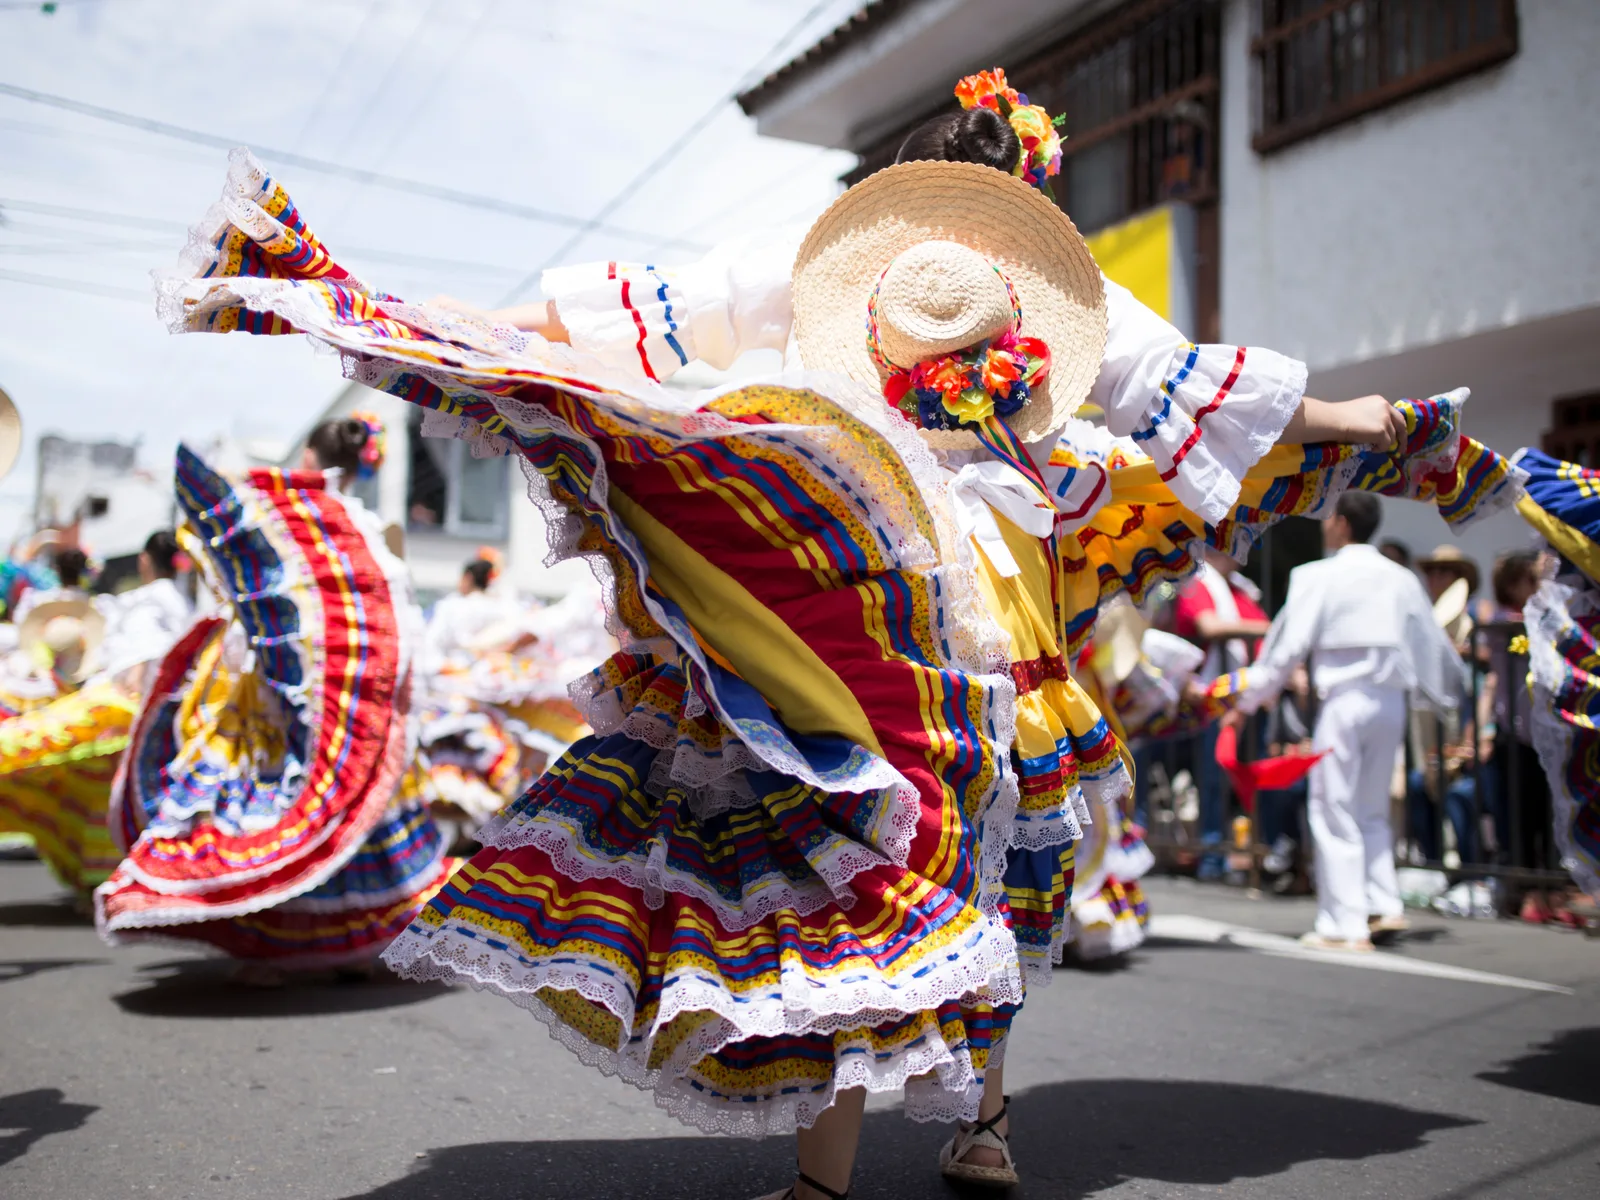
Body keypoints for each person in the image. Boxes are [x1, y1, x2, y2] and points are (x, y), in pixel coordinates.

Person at [155, 66, 1521, 1199]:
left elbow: (598, 323)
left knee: (860, 879)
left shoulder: (818, 268)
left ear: (899, 198)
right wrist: (1399, 432)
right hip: (999, 632)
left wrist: (406, 321)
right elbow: (1229, 403)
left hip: (844, 615)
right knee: (972, 888)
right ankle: (978, 1125)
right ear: (1022, 204)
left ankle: (834, 1174)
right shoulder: (1073, 313)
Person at [95, 419, 453, 983]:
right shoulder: (367, 533)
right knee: (349, 805)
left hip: (271, 694)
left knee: (278, 803)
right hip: (351, 699)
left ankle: (277, 950)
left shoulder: (280, 512)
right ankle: (354, 946)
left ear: (309, 451)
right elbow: (394, 635)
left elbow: (248, 597)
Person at [1235, 492, 1467, 952]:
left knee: (1333, 806)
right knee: (1372, 807)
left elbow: (1286, 648)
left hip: (1344, 699)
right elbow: (1431, 647)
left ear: (1340, 523)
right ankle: (1382, 903)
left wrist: (1247, 700)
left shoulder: (1318, 575)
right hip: (1389, 702)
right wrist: (1445, 699)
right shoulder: (1399, 578)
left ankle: (1345, 923)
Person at [0, 530, 194, 901]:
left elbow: (141, 664)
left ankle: (100, 885)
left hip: (125, 713)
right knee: (100, 796)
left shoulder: (146, 603)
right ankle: (102, 883)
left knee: (49, 757)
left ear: (144, 561)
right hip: (152, 717)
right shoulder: (179, 604)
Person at [1171, 547, 1269, 871]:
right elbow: (1209, 626)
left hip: (1244, 703)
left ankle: (1236, 855)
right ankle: (1210, 856)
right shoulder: (1199, 581)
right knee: (1211, 781)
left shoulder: (1239, 590)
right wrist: (1277, 630)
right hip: (1207, 703)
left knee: (1233, 781)